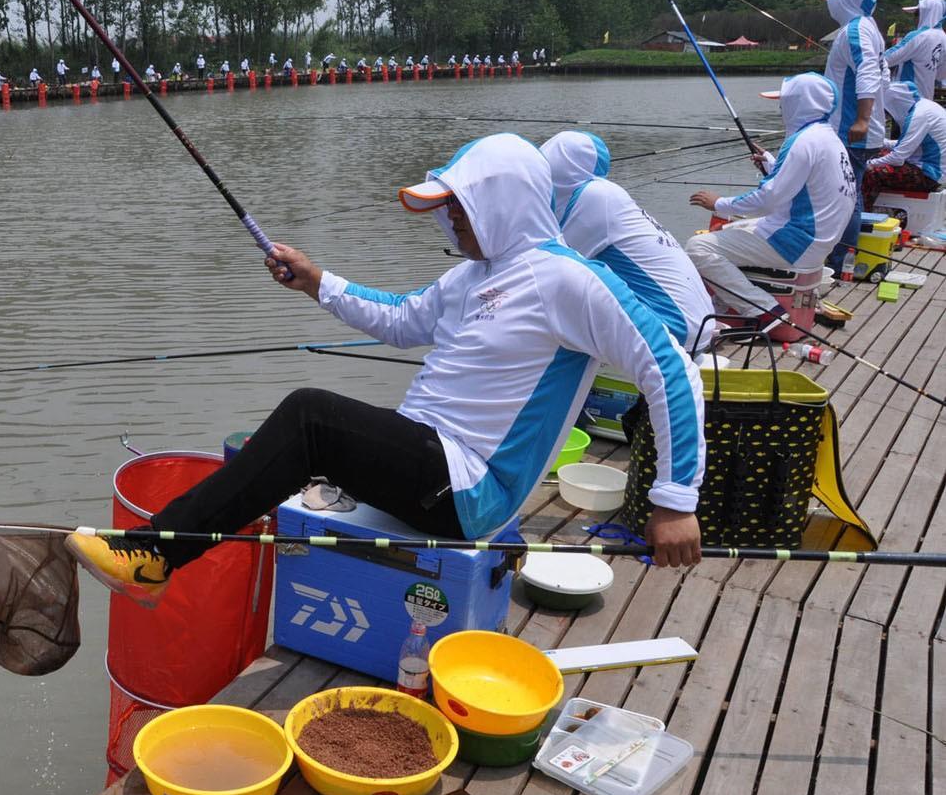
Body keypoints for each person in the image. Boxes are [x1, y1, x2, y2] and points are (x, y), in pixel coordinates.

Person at [63, 134, 706, 605]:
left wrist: (674, 502)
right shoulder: (472, 277)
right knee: (297, 437)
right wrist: (318, 283)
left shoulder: (570, 280)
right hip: (426, 461)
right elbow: (401, 318)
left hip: (469, 491)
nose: (450, 216)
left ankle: (154, 555)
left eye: (459, 203)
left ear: (503, 203)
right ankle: (170, 544)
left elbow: (671, 371)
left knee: (311, 416)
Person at [685, 73, 853, 324]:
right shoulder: (828, 138)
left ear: (799, 103)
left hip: (798, 243)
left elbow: (769, 199)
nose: (781, 107)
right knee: (729, 228)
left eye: (784, 101)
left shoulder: (802, 141)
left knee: (697, 247)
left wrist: (719, 203)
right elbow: (801, 185)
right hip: (818, 241)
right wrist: (772, 163)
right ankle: (729, 303)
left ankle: (762, 310)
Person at [541, 131, 714, 352]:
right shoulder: (602, 194)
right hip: (697, 323)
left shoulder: (596, 197)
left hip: (676, 329)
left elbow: (548, 267)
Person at [821, 0, 889, 273]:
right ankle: (843, 256)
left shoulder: (855, 31)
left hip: (851, 130)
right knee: (853, 192)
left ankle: (839, 261)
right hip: (860, 129)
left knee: (846, 196)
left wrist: (862, 119)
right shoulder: (869, 27)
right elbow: (884, 75)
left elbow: (869, 74)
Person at [862, 81, 945, 209]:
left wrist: (867, 165)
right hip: (931, 169)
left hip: (929, 174)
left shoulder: (919, 115)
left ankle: (862, 213)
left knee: (872, 172)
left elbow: (898, 158)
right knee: (878, 156)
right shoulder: (925, 107)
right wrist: (880, 142)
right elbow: (907, 144)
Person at [885, 0, 945, 100]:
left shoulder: (918, 36)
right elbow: (940, 75)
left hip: (906, 98)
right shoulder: (943, 38)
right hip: (926, 100)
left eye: (917, 14)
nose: (915, 18)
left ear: (926, 14)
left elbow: (887, 59)